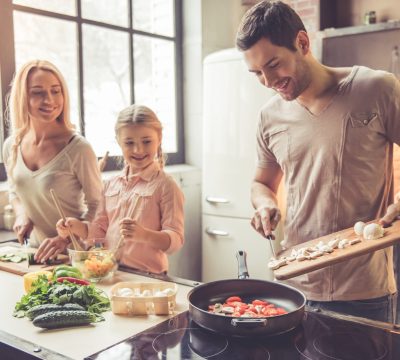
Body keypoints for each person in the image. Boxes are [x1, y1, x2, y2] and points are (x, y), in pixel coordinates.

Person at [236, 0, 400, 322]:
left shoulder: (376, 89)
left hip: (364, 292)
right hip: (293, 286)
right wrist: (263, 204)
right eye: (257, 73)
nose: (268, 82)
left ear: (302, 42)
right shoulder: (269, 116)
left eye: (273, 65)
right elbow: (261, 183)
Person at [56, 104, 184, 274]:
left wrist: (144, 234)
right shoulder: (110, 184)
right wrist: (77, 227)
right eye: (129, 143)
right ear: (118, 142)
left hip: (150, 277)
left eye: (146, 141)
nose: (138, 150)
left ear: (159, 138)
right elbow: (99, 232)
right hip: (113, 273)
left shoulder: (166, 185)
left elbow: (175, 241)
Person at [3, 59, 102, 263]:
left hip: (76, 258)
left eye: (55, 91)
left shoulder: (79, 148)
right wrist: (22, 214)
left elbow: (99, 208)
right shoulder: (11, 145)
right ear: (22, 97)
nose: (49, 100)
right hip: (35, 255)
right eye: (38, 92)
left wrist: (63, 239)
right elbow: (14, 189)